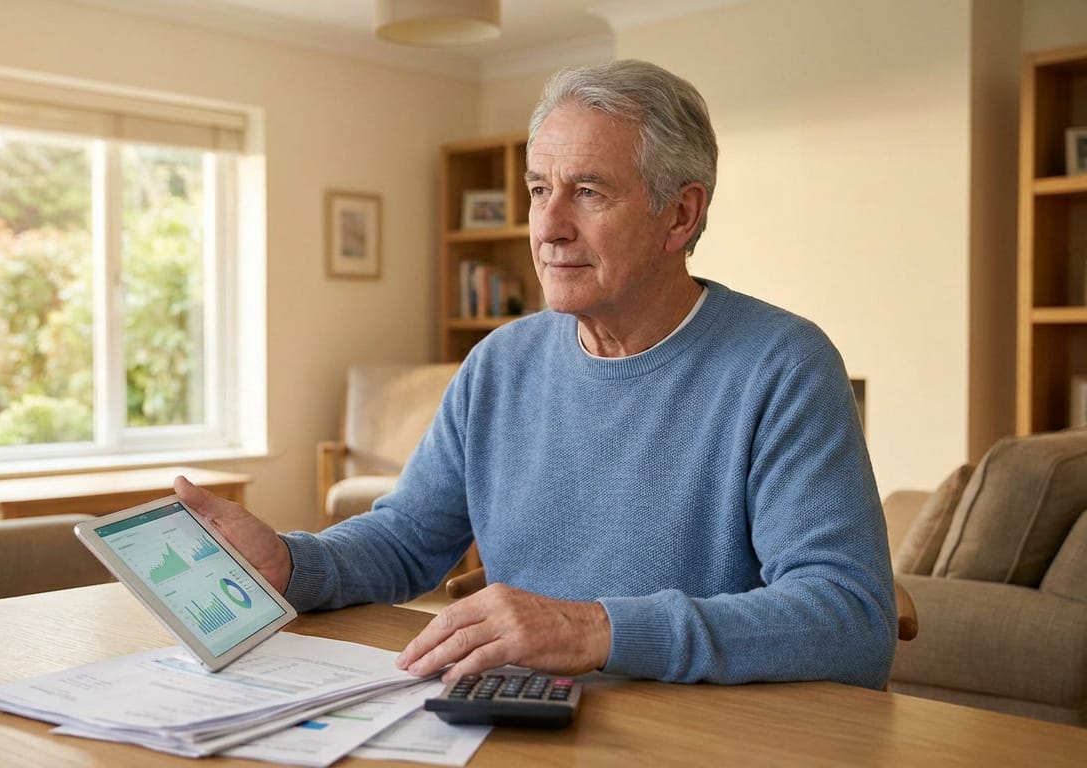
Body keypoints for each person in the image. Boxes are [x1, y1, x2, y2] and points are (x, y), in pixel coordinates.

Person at [177, 59, 896, 690]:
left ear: (680, 215)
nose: (547, 227)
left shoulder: (783, 366)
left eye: (588, 191)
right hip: (526, 721)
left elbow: (851, 617)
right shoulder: (501, 362)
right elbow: (404, 540)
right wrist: (290, 566)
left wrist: (595, 631)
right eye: (538, 188)